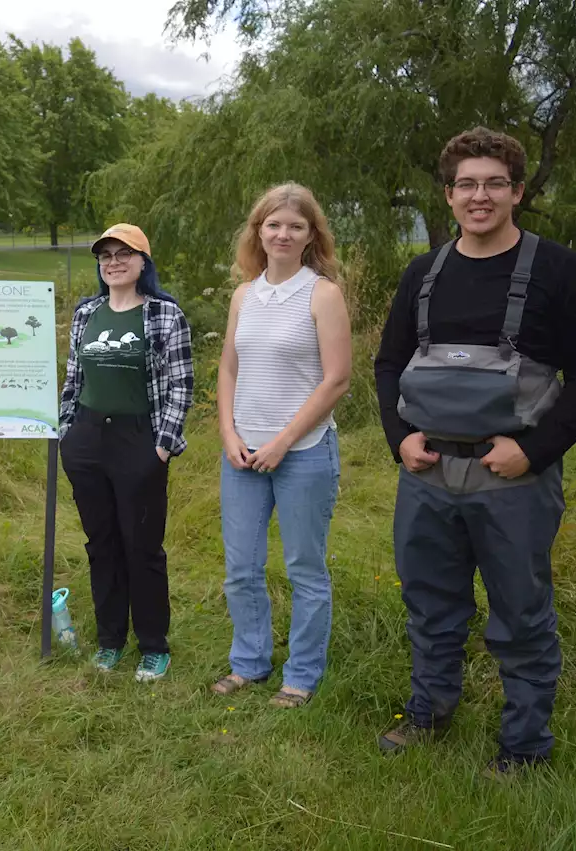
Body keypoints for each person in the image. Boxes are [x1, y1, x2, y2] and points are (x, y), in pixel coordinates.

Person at [373, 127, 576, 776]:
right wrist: (401, 441)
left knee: (521, 614)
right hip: (426, 475)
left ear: (518, 190)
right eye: (467, 185)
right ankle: (429, 712)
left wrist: (534, 453)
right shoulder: (423, 274)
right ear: (448, 196)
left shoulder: (560, 272)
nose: (480, 196)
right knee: (430, 602)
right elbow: (390, 363)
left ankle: (525, 746)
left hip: (512, 479)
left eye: (494, 183)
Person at [210, 184, 351, 708]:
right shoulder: (244, 295)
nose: (283, 234)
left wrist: (283, 442)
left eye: (295, 226)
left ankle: (303, 674)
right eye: (273, 225)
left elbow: (337, 380)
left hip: (305, 452)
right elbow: (229, 365)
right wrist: (228, 431)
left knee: (304, 569)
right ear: (259, 232)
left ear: (311, 234)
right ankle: (249, 661)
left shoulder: (322, 295)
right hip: (242, 452)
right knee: (241, 567)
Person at [58, 223, 194, 682]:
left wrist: (162, 447)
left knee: (143, 548)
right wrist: (67, 432)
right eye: (105, 255)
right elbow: (74, 379)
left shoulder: (163, 316)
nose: (113, 262)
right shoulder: (86, 314)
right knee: (102, 546)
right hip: (88, 439)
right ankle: (110, 641)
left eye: (124, 253)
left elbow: (181, 386)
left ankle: (154, 646)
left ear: (143, 262)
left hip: (139, 441)